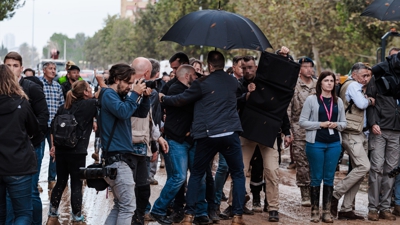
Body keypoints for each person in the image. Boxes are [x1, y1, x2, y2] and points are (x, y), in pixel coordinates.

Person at [160, 51, 246, 225]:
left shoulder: (201, 83)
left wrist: (163, 98)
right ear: (223, 64)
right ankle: (237, 216)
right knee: (238, 174)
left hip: (208, 134)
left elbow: (181, 100)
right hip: (230, 133)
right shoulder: (232, 81)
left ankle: (189, 215)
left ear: (209, 65)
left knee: (197, 174)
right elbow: (239, 94)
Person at [99, 63, 151, 225]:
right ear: (117, 79)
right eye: (128, 83)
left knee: (120, 205)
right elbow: (123, 112)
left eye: (132, 84)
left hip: (120, 159)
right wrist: (135, 94)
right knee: (128, 206)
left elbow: (140, 113)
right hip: (117, 160)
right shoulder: (108, 94)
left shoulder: (119, 97)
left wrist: (146, 97)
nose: (130, 87)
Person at [4, 51, 49, 225]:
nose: (11, 69)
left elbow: (43, 118)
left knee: (30, 191)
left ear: (21, 69)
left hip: (31, 147)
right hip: (8, 151)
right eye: (8, 66)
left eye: (15, 66)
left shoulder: (31, 88)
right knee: (8, 196)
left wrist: (27, 137)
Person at [46, 80, 97, 225]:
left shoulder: (63, 107)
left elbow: (53, 127)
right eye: (89, 88)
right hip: (78, 152)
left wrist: (54, 146)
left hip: (62, 151)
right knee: (76, 184)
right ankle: (77, 218)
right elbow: (102, 97)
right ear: (85, 92)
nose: (91, 91)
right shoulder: (89, 104)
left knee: (60, 182)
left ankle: (52, 215)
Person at [299, 71, 347, 223]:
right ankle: (314, 211)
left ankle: (326, 211)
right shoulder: (312, 100)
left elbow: (344, 123)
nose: (329, 83)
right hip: (316, 143)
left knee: (329, 177)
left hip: (333, 143)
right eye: (326, 80)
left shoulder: (338, 101)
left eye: (332, 81)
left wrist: (336, 124)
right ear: (320, 83)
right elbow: (302, 122)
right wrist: (320, 124)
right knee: (316, 177)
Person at [331, 62, 374, 220]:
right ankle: (335, 195)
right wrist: (370, 100)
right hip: (351, 133)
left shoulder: (353, 85)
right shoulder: (353, 85)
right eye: (363, 75)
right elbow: (362, 104)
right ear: (354, 74)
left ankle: (346, 208)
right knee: (364, 166)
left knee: (359, 171)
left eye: (368, 76)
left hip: (359, 132)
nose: (366, 79)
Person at [0, 64, 40, 225]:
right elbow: (35, 129)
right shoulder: (21, 103)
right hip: (19, 165)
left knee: (1, 214)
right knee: (23, 213)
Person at [365, 62, 400, 221]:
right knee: (377, 168)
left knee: (392, 170)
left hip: (397, 131)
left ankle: (385, 207)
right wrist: (372, 123)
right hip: (379, 130)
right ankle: (373, 207)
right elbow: (370, 102)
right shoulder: (380, 73)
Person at [287, 57, 317, 207]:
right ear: (299, 69)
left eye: (310, 66)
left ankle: (315, 191)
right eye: (305, 66)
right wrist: (287, 131)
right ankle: (305, 192)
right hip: (299, 129)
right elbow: (288, 109)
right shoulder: (294, 86)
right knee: (302, 163)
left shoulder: (318, 85)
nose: (309, 69)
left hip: (317, 129)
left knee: (315, 162)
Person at [39, 61, 65, 191]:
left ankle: (51, 180)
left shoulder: (57, 86)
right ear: (44, 70)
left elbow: (62, 105)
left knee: (55, 153)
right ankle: (36, 181)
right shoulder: (38, 85)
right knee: (38, 154)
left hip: (54, 126)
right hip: (41, 125)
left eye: (54, 69)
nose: (53, 71)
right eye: (50, 68)